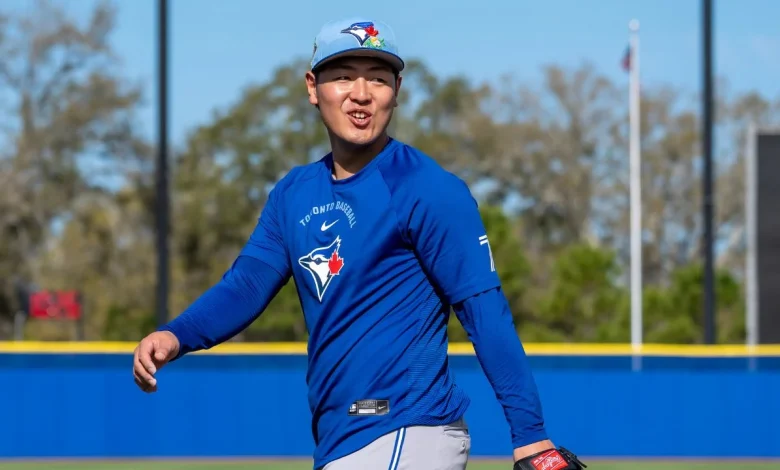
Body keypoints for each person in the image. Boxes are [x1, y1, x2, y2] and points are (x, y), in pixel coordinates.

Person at [132, 17, 586, 470]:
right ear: (313, 87)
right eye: (344, 76)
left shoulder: (426, 189)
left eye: (378, 79)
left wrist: (531, 436)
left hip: (408, 428)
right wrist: (177, 335)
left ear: (397, 90)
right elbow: (248, 285)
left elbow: (484, 310)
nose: (362, 93)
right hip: (344, 441)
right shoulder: (295, 193)